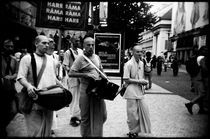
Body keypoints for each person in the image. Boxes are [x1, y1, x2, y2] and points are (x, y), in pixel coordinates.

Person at [17, 35, 60, 137]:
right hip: (33, 99)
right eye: (43, 43)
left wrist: (62, 88)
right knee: (35, 132)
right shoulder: (27, 58)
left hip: (49, 100)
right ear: (36, 44)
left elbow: (53, 78)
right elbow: (21, 77)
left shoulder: (51, 60)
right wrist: (28, 86)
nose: (47, 45)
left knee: (46, 131)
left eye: (47, 43)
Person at [68, 37, 107, 137]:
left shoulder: (97, 57)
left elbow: (101, 70)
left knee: (102, 115)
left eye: (92, 45)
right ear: (83, 46)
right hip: (85, 89)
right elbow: (71, 73)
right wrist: (86, 75)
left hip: (97, 89)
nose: (91, 47)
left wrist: (105, 77)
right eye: (88, 45)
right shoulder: (80, 58)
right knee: (85, 117)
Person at [122, 45, 151, 137]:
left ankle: (138, 130)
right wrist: (140, 81)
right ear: (133, 53)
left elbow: (144, 74)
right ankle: (132, 131)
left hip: (139, 90)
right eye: (137, 52)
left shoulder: (142, 63)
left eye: (141, 52)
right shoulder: (128, 64)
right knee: (132, 113)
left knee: (143, 110)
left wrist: (143, 83)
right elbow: (126, 79)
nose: (140, 53)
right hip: (131, 91)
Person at [63, 37, 83, 127]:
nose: (78, 42)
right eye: (76, 41)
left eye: (78, 41)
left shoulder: (81, 51)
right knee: (74, 97)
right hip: (73, 78)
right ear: (71, 42)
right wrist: (71, 71)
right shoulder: (68, 52)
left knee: (80, 97)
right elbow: (65, 65)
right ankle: (73, 118)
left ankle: (79, 116)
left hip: (81, 77)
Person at [1, 39, 19, 137]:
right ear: (3, 46)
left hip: (10, 89)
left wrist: (11, 77)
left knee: (13, 110)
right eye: (7, 46)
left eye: (11, 46)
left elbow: (17, 72)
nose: (10, 48)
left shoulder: (14, 60)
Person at [185, 46, 208, 115]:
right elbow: (204, 68)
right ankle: (190, 104)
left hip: (195, 77)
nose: (206, 51)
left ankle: (201, 109)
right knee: (202, 93)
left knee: (199, 94)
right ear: (202, 51)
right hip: (198, 78)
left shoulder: (196, 57)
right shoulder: (201, 58)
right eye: (205, 50)